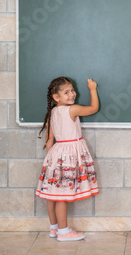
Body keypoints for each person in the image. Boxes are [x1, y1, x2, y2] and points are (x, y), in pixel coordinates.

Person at [35, 77, 99, 241]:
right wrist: (92, 89)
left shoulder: (53, 113)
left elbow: (50, 139)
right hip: (69, 156)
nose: (72, 94)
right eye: (66, 92)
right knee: (61, 195)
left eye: (72, 90)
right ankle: (64, 232)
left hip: (55, 156)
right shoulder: (72, 110)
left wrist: (51, 162)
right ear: (56, 97)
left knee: (52, 194)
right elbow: (93, 108)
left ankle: (54, 228)